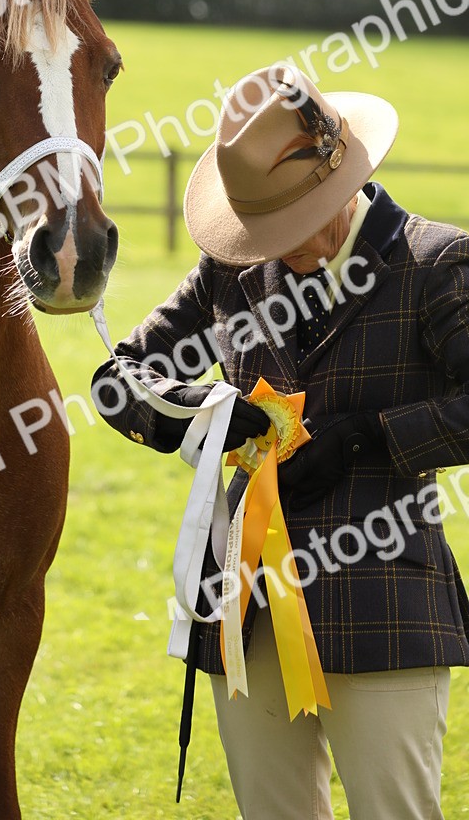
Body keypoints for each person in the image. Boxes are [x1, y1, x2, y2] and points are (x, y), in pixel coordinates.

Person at [92, 64, 469, 820]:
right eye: (264, 230)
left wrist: (365, 439)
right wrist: (199, 415)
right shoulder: (232, 269)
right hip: (244, 606)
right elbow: (118, 381)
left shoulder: (437, 263)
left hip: (384, 603)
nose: (277, 248)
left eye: (296, 224)